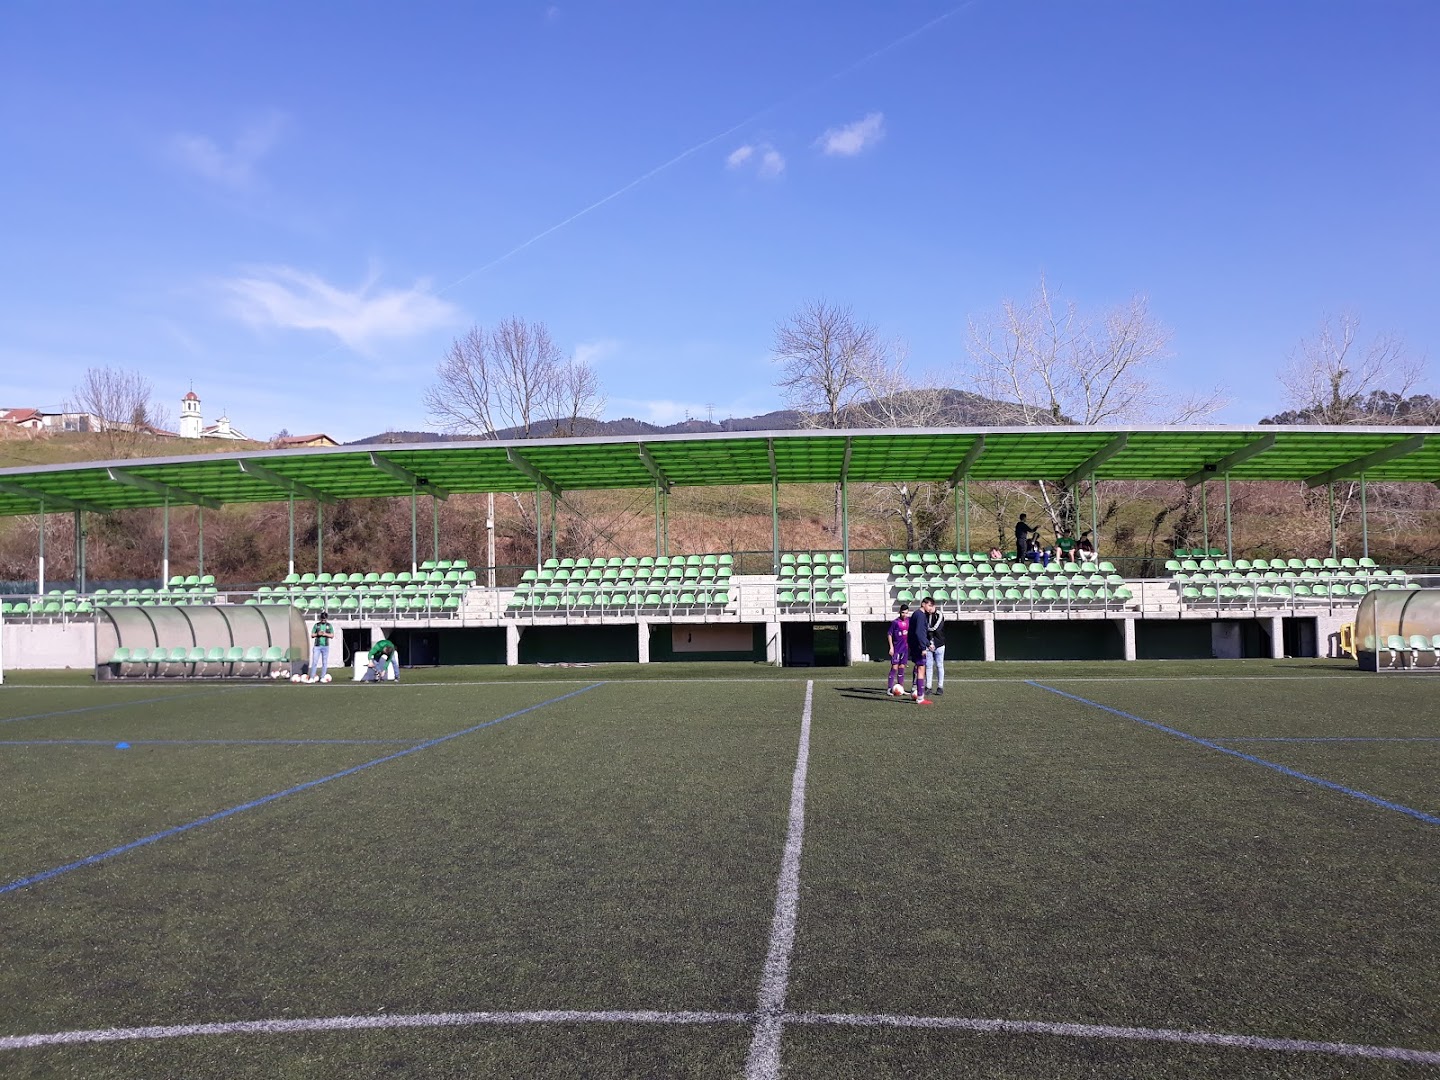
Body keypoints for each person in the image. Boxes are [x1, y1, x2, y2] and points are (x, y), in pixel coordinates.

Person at [907, 597, 934, 705]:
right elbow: (919, 633)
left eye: (932, 606)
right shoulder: (920, 615)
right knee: (921, 670)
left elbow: (919, 632)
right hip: (918, 647)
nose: (930, 608)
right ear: (923, 604)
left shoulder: (917, 614)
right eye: (929, 605)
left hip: (916, 645)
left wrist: (928, 644)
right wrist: (923, 647)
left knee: (920, 669)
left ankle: (917, 693)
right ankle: (920, 697)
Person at [887, 604, 910, 697]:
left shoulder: (909, 621)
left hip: (905, 649)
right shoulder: (895, 622)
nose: (905, 615)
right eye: (903, 613)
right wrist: (891, 647)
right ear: (900, 612)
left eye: (906, 613)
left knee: (901, 668)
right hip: (897, 649)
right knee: (894, 668)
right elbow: (889, 634)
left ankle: (901, 688)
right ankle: (889, 688)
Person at [925, 600, 946, 696]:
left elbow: (935, 628)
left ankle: (940, 686)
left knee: (939, 665)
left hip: (939, 644)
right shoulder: (925, 615)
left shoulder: (939, 614)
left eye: (929, 606)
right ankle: (928, 686)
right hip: (929, 644)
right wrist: (929, 642)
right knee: (928, 666)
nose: (928, 608)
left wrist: (934, 642)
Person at [310, 611, 334, 682]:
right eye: (322, 619)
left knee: (324, 662)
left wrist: (325, 634)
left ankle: (323, 677)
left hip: (325, 646)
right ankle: (312, 677)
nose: (323, 620)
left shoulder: (329, 626)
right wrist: (318, 634)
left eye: (325, 619)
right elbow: (312, 635)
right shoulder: (316, 625)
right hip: (317, 646)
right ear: (320, 618)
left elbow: (332, 635)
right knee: (314, 661)